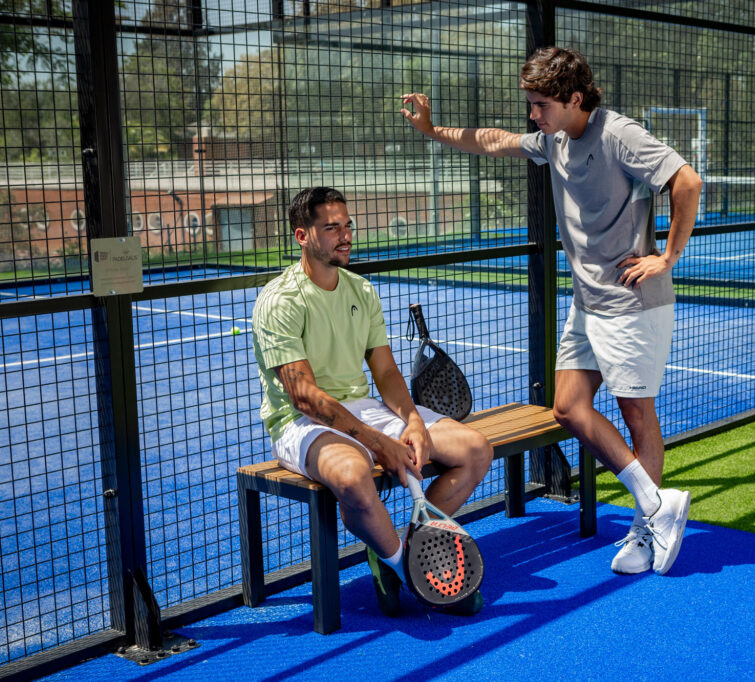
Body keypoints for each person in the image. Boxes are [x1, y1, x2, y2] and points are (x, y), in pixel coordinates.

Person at [401, 47, 702, 576]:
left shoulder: (618, 135)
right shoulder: (554, 141)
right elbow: (492, 141)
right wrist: (432, 130)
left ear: (575, 99)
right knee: (567, 407)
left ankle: (645, 525)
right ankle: (657, 504)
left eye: (541, 104)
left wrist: (667, 257)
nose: (533, 115)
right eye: (531, 105)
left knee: (637, 413)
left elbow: (687, 181)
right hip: (587, 304)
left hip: (633, 304)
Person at [252, 186, 493, 615]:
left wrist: (414, 422)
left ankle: (398, 545)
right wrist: (378, 442)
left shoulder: (362, 291)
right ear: (302, 236)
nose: (345, 236)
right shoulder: (279, 301)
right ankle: (408, 571)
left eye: (347, 226)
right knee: (351, 474)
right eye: (331, 228)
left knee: (475, 450)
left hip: (362, 409)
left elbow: (385, 373)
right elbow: (304, 396)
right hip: (299, 424)